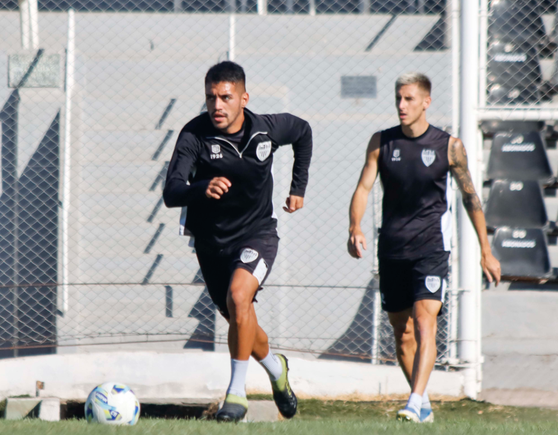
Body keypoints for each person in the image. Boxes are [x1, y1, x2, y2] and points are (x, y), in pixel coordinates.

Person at [163, 61, 313, 422]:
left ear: (243, 98)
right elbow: (171, 192)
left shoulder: (267, 129)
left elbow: (303, 132)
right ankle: (277, 369)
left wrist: (298, 188)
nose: (217, 106)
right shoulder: (194, 136)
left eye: (225, 97)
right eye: (211, 97)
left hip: (258, 232)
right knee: (240, 319)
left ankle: (236, 394)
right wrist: (202, 187)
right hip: (212, 243)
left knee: (239, 296)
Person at [347, 72, 501, 423]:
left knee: (423, 321)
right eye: (398, 98)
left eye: (409, 99)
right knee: (402, 336)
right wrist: (354, 227)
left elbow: (471, 198)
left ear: (426, 102)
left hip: (432, 249)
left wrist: (485, 250)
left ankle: (414, 401)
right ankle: (424, 403)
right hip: (391, 250)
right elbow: (362, 189)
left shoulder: (449, 146)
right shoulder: (381, 143)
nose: (402, 106)